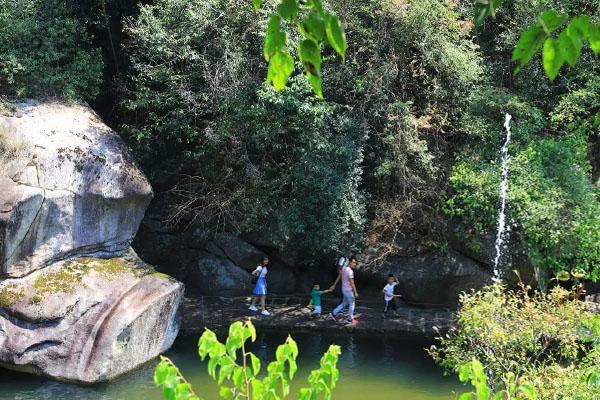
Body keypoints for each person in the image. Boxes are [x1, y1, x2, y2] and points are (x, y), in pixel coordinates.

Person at [329, 256, 359, 325]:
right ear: (350, 262)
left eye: (355, 263)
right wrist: (355, 292)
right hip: (348, 291)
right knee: (352, 303)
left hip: (344, 289)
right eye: (353, 263)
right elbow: (352, 283)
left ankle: (333, 313)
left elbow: (339, 277)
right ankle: (350, 319)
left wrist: (334, 285)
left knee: (345, 303)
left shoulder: (344, 269)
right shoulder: (350, 271)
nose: (355, 264)